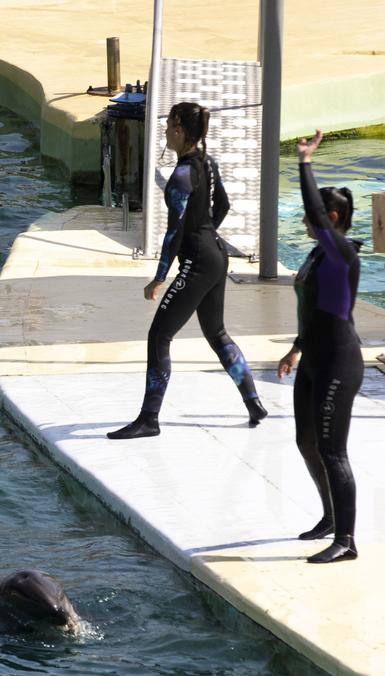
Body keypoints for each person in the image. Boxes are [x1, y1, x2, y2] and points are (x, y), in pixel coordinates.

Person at [109, 102, 267, 439]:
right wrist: (207, 232)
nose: (165, 132)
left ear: (180, 130)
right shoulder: (206, 163)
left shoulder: (182, 175)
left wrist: (160, 277)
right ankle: (253, 403)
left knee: (159, 336)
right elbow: (221, 204)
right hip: (216, 254)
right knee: (217, 333)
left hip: (197, 261)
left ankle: (149, 419)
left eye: (168, 126)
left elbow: (173, 232)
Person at [276, 130, 362, 564]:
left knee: (333, 450)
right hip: (314, 358)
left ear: (330, 217)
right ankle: (329, 518)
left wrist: (305, 162)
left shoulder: (342, 252)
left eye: (315, 217)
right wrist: (296, 348)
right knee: (306, 442)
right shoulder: (316, 256)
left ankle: (346, 541)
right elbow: (315, 311)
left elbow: (312, 208)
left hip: (339, 364)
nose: (306, 222)